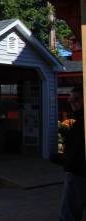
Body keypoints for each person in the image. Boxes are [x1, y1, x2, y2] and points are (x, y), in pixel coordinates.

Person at [60, 86, 86, 221]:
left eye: (75, 100)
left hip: (78, 173)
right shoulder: (78, 121)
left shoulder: (81, 122)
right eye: (70, 100)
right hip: (76, 170)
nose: (72, 104)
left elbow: (77, 147)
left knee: (68, 215)